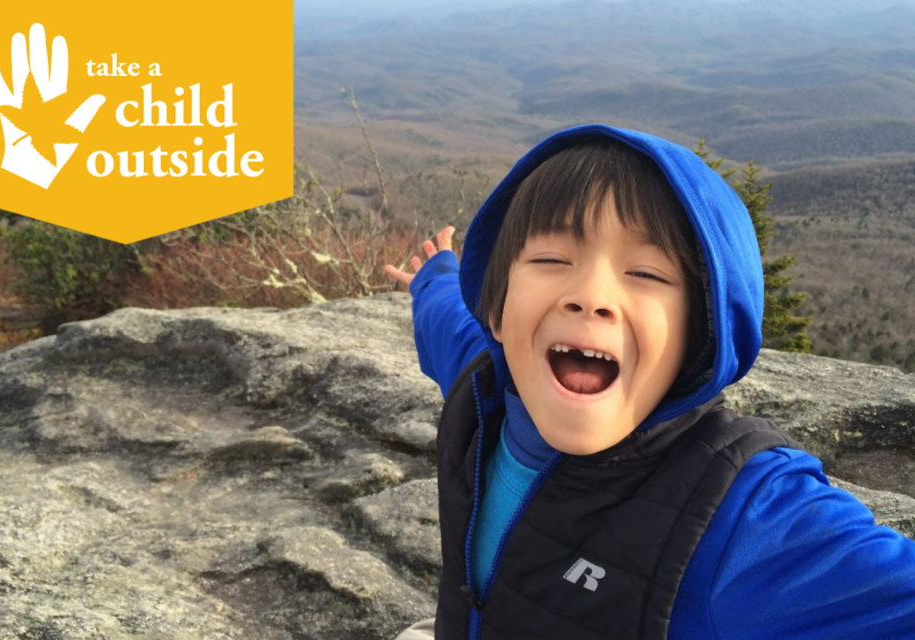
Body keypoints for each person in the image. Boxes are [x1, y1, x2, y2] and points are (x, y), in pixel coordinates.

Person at [385, 125, 915, 640]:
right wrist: (433, 278)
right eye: (550, 259)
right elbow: (447, 320)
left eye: (647, 273)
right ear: (497, 312)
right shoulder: (483, 392)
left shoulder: (733, 512)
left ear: (698, 336)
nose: (590, 294)